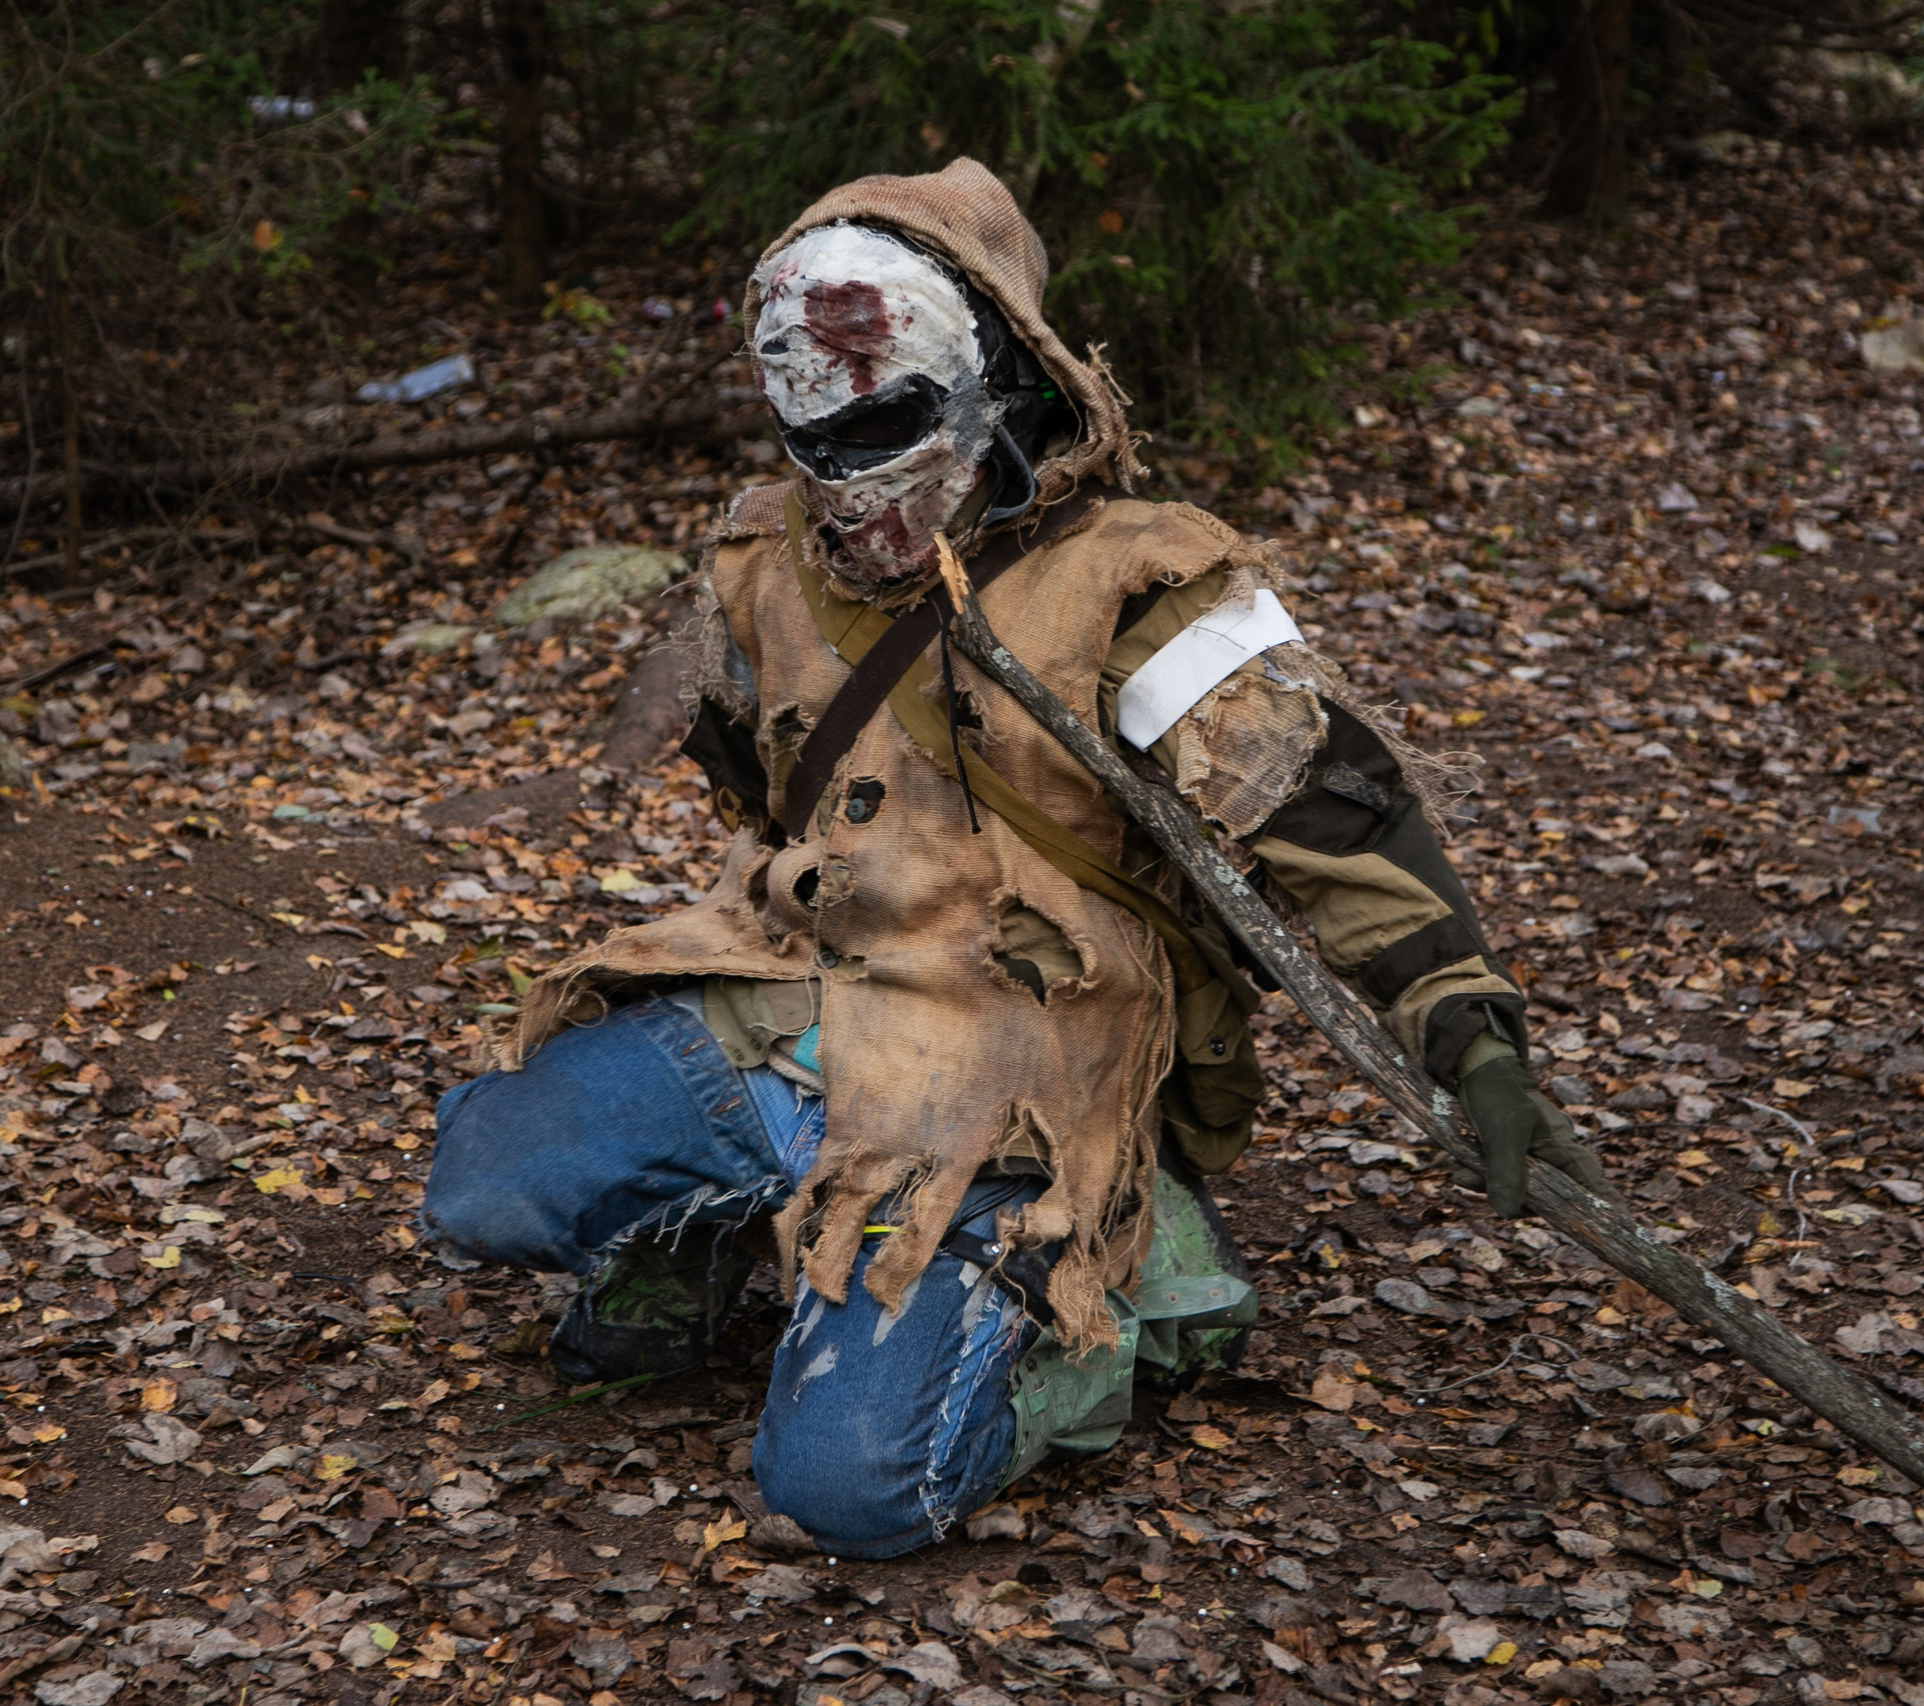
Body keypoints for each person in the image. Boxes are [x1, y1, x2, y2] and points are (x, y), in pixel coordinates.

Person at [422, 158, 1604, 1558]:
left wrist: (1469, 1032)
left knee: (851, 1488)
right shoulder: (763, 557)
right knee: (483, 1174)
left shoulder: (1144, 586)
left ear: (995, 373)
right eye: (819, 435)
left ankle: (1097, 1322)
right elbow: (745, 760)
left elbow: (1333, 815)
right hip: (807, 1001)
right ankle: (729, 1235)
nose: (851, 482)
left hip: (1020, 1066)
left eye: (895, 419)